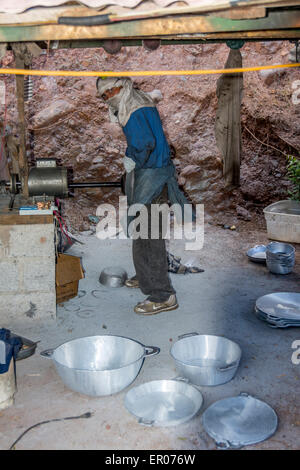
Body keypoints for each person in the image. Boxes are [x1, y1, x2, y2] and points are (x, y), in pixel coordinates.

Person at [96, 77, 191, 315]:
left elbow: (144, 142)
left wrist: (133, 158)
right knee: (142, 231)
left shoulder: (133, 109)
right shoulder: (134, 101)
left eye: (111, 90)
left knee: (150, 236)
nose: (109, 96)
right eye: (104, 95)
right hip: (149, 172)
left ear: (122, 86)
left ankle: (162, 295)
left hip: (153, 177)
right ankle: (145, 275)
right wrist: (131, 161)